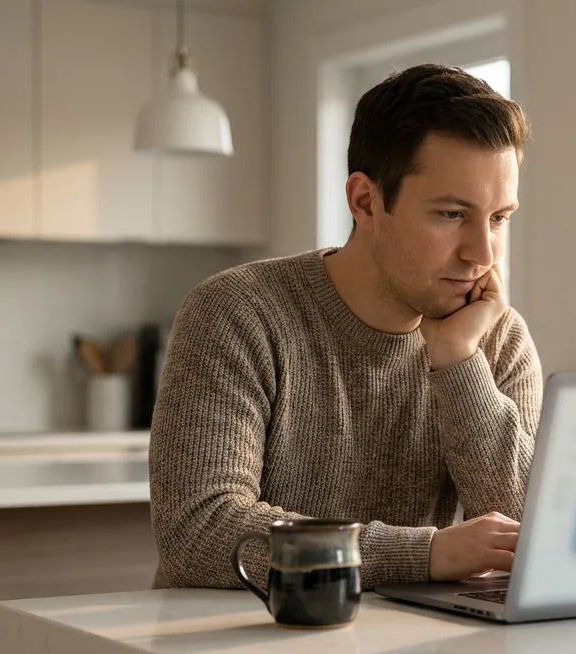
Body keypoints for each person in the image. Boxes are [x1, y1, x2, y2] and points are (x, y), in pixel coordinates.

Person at [148, 63, 542, 591]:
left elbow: (528, 537)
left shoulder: (495, 339)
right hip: (242, 651)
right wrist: (422, 553)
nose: (482, 253)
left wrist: (459, 360)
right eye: (451, 214)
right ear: (365, 201)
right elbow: (199, 534)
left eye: (499, 218)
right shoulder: (237, 312)